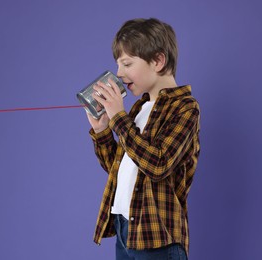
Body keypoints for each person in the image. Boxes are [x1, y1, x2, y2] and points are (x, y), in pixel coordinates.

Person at [85, 18, 200, 260]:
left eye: (127, 63)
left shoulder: (185, 108)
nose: (119, 73)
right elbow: (118, 169)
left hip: (157, 238)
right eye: (118, 64)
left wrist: (119, 118)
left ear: (158, 61)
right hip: (126, 229)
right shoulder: (139, 109)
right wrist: (103, 130)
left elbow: (157, 164)